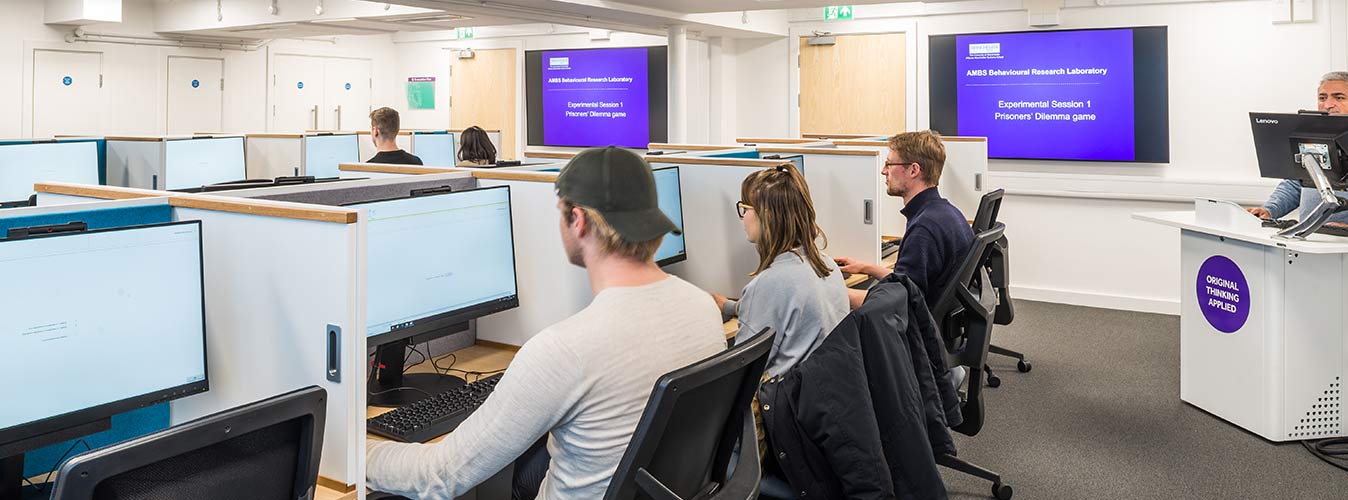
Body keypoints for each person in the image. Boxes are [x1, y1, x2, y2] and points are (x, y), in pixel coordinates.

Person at [365, 146, 726, 500]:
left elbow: (440, 476)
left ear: (578, 220)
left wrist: (357, 452)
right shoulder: (702, 308)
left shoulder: (564, 351)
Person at [712, 163, 848, 378]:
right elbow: (787, 306)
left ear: (767, 215)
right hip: (822, 396)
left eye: (745, 209)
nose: (743, 217)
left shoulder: (768, 284)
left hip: (782, 403)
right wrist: (730, 306)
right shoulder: (827, 264)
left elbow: (741, 373)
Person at [833, 130, 975, 310]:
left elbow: (900, 305)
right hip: (940, 327)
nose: (883, 171)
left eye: (889, 164)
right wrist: (868, 268)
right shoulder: (948, 214)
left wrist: (833, 293)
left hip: (917, 332)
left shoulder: (924, 229)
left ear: (914, 170)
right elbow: (908, 283)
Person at [1247, 71, 1348, 224]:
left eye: (1339, 97)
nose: (1327, 105)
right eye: (1322, 98)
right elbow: (1296, 184)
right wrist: (1269, 210)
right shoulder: (1312, 136)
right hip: (1310, 239)